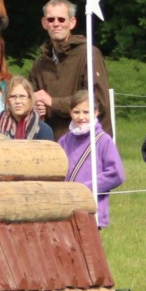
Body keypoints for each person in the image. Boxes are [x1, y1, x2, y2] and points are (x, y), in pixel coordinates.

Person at [30, 0, 112, 140]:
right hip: (51, 143)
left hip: (86, 143)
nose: (56, 24)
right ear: (44, 23)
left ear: (72, 22)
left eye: (61, 19)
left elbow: (98, 102)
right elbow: (30, 98)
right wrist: (36, 106)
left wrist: (52, 103)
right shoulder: (40, 63)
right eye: (51, 20)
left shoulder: (88, 54)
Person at [57, 90, 124, 231]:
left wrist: (86, 188)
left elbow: (116, 174)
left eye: (86, 112)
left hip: (92, 207)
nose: (81, 117)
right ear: (70, 113)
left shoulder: (104, 140)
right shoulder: (64, 141)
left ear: (96, 112)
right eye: (76, 112)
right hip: (67, 207)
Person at [0, 76, 54, 141]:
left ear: (30, 99)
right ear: (7, 100)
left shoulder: (43, 130)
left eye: (22, 96)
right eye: (12, 97)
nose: (18, 101)